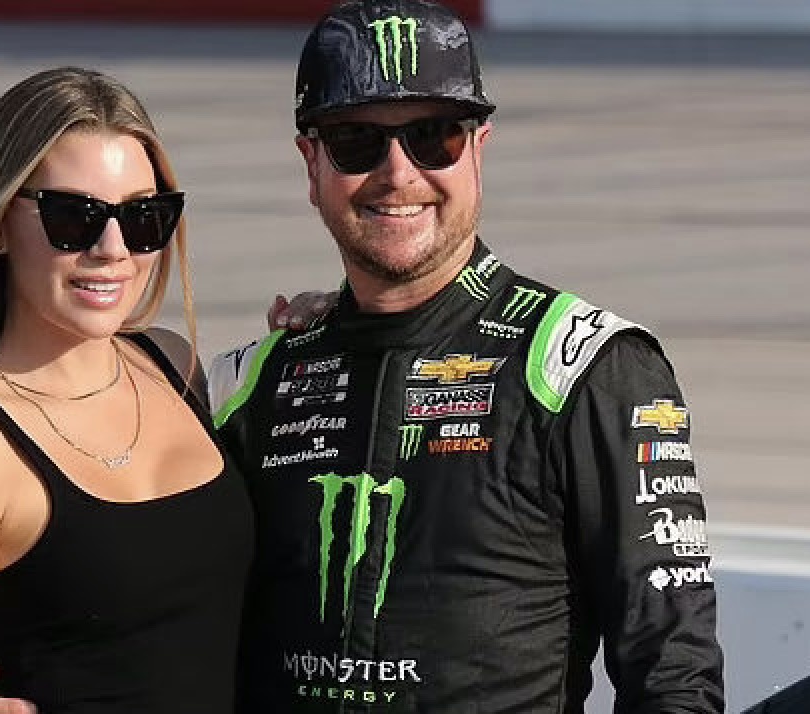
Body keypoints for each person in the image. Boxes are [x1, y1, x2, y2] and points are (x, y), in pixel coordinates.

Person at [206, 0, 726, 711]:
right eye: (357, 141)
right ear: (312, 162)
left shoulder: (584, 367)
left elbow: (674, 676)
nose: (398, 173)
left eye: (433, 137)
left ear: (478, 148)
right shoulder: (251, 385)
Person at [0, 67, 253, 714]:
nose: (113, 248)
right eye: (74, 217)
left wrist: (329, 320)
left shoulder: (176, 366)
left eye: (143, 216)